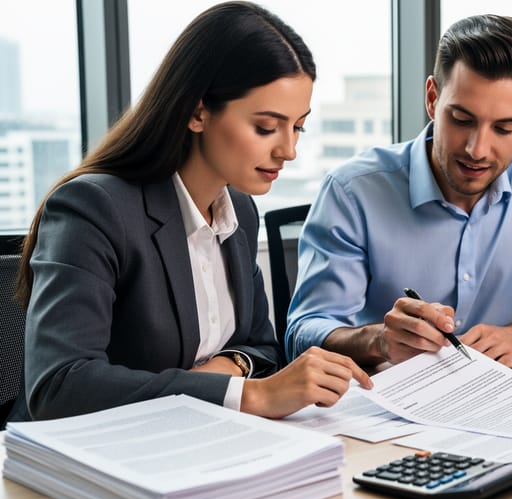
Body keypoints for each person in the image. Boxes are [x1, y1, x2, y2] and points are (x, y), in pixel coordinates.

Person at [9, 1, 372, 424]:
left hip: (199, 446)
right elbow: (60, 387)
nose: (288, 150)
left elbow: (263, 348)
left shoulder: (238, 211)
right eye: (266, 127)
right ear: (197, 112)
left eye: (298, 127)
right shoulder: (93, 209)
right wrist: (245, 396)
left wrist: (230, 370)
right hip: (91, 462)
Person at [285, 14, 512, 369]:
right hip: (377, 405)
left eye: (504, 128)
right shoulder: (352, 191)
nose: (477, 149)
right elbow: (303, 332)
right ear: (433, 99)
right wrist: (379, 340)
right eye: (462, 120)